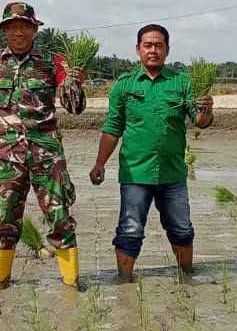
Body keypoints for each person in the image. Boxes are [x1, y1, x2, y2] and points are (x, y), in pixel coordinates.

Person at [0, 1, 86, 289]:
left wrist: (76, 84)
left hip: (47, 155)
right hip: (7, 157)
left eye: (24, 26)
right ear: (4, 30)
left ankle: (71, 285)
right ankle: (1, 284)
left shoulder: (53, 62)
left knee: (60, 219)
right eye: (12, 27)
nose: (18, 32)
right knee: (5, 221)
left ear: (34, 29)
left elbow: (74, 108)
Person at [89, 24, 214, 281]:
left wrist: (206, 108)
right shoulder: (124, 85)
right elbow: (112, 128)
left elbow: (200, 121)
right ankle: (125, 282)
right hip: (135, 172)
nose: (153, 50)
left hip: (173, 173)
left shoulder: (182, 82)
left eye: (159, 45)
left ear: (167, 49)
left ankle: (186, 277)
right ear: (138, 49)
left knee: (181, 229)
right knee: (130, 230)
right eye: (148, 45)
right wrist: (100, 163)